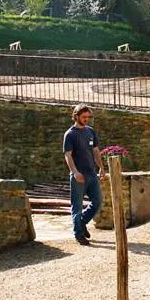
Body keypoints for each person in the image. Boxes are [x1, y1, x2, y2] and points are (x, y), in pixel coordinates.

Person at [63, 104, 106, 246]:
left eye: (88, 117)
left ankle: (81, 223)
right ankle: (78, 234)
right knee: (77, 206)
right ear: (76, 116)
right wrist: (75, 172)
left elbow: (96, 151)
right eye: (84, 117)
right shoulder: (70, 134)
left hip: (92, 174)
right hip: (78, 176)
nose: (86, 119)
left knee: (98, 201)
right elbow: (68, 156)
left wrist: (101, 168)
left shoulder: (91, 132)